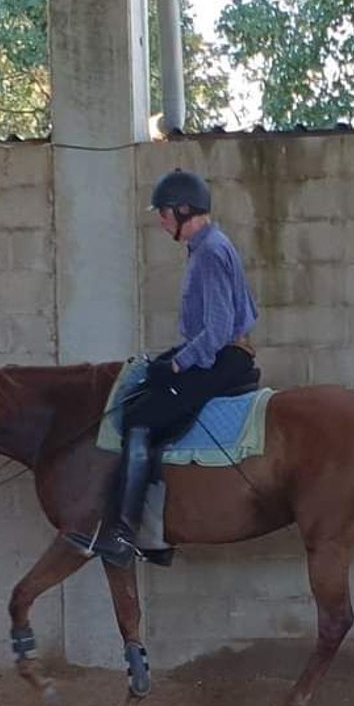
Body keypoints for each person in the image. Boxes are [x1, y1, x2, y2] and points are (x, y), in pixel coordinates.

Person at [68, 168, 259, 567]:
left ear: (184, 210)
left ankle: (124, 534)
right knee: (143, 397)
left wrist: (177, 367)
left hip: (224, 358)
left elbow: (219, 329)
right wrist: (170, 358)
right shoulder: (207, 247)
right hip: (218, 352)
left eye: (164, 214)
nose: (160, 221)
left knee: (140, 418)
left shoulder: (209, 252)